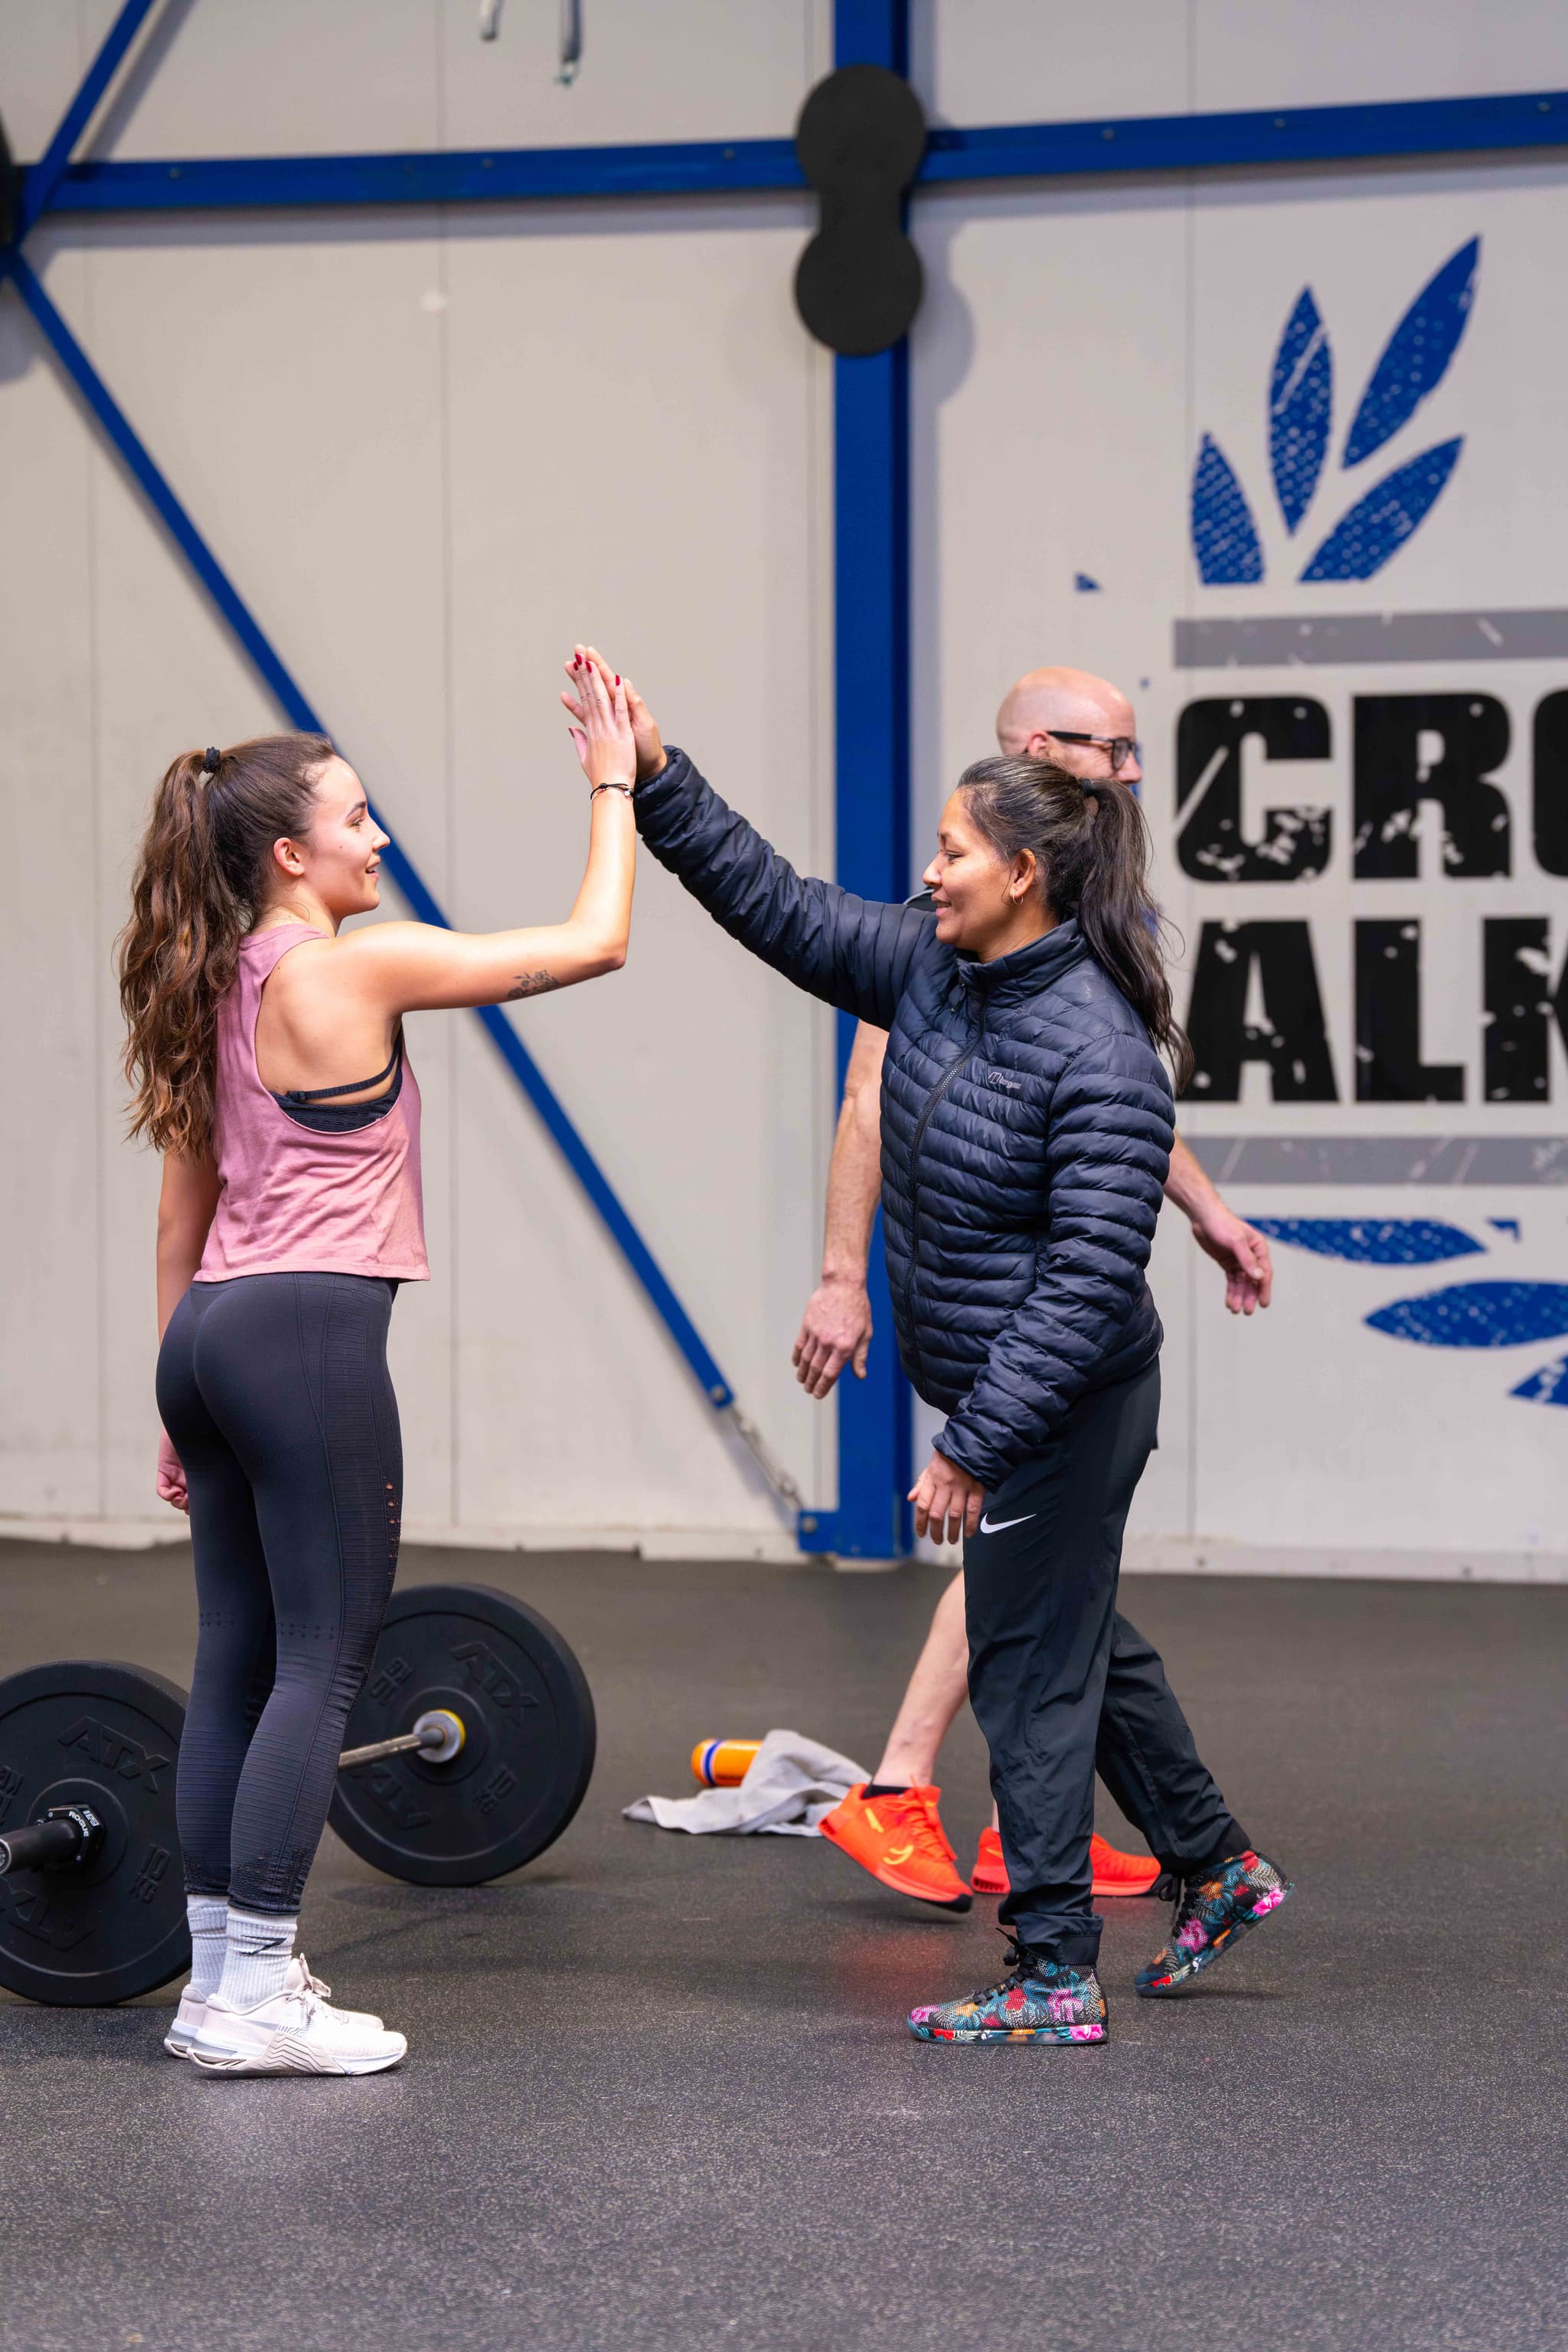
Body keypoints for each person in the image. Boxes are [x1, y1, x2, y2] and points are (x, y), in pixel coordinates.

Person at [583, 649, 1291, 2043]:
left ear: (1023, 874)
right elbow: (777, 906)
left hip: (1067, 1402)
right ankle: (1218, 1867)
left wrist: (973, 1447)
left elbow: (1087, 1283)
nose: (931, 869)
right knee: (1076, 1640)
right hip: (1012, 1394)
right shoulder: (935, 964)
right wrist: (658, 776)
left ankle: (1054, 1971)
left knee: (1027, 1672)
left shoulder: (1100, 1050)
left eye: (955, 850)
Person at [122, 652, 638, 2075]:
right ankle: (260, 1986)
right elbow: (595, 942)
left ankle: (214, 1987)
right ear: (291, 855)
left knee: (237, 1661)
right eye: (356, 818)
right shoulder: (358, 964)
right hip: (305, 1336)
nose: (380, 836)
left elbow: (178, 1220)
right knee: (324, 1659)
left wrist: (174, 1402)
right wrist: (614, 784)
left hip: (211, 1337)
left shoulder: (209, 983)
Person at [797, 668, 1276, 1913]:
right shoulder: (952, 922)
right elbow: (870, 1096)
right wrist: (843, 1276)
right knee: (1048, 1620)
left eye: (1133, 750)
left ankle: (1046, 1864)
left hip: (1048, 1366)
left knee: (1043, 1624)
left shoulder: (1084, 923)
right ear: (1042, 751)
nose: (1132, 771)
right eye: (1112, 749)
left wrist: (1205, 1208)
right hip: (1017, 1361)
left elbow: (1105, 1115)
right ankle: (961, 1807)